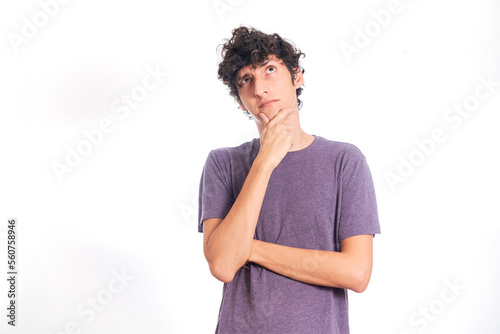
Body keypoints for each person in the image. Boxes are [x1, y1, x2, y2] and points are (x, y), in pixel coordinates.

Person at [197, 26, 381, 334]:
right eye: (246, 79)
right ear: (241, 101)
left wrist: (248, 248)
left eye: (269, 70)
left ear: (297, 76)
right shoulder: (223, 163)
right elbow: (223, 265)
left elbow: (357, 272)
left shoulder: (344, 161)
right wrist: (264, 161)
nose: (260, 88)